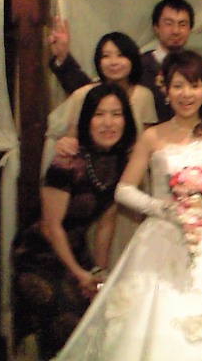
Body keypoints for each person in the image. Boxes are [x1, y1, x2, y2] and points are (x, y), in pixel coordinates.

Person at [55, 51, 202, 361]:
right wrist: (163, 209)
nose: (186, 94)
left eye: (194, 86)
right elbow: (124, 190)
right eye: (178, 86)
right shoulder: (152, 136)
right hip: (160, 235)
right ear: (166, 90)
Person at [14, 84, 137, 360]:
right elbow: (50, 227)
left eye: (116, 114)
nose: (108, 123)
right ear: (87, 120)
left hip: (77, 255)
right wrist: (79, 274)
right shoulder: (67, 161)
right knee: (71, 322)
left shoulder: (120, 161)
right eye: (99, 114)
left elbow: (106, 221)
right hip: (39, 257)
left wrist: (98, 273)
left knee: (105, 315)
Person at [45, 32, 157, 269]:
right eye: (106, 56)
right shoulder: (85, 94)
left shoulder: (144, 95)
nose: (113, 61)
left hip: (130, 182)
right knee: (96, 243)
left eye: (120, 55)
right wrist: (63, 144)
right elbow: (70, 137)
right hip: (93, 187)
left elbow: (148, 142)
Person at [47, 0, 194, 122]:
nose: (176, 31)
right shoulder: (136, 64)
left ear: (190, 29)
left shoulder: (197, 66)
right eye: (169, 23)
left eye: (182, 24)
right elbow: (94, 93)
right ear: (156, 28)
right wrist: (63, 57)